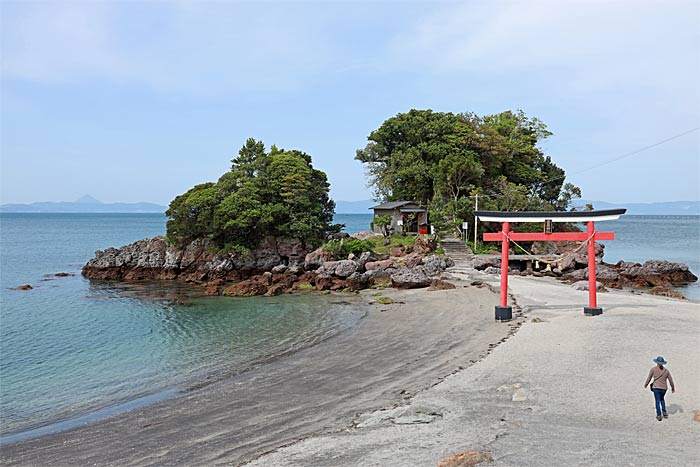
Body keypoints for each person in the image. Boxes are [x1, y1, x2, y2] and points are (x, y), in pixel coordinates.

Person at [644, 356, 675, 421]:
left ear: (657, 362)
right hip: (664, 388)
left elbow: (649, 378)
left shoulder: (653, 369)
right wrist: (673, 387)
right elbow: (670, 380)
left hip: (656, 387)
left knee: (657, 401)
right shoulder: (666, 371)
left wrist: (646, 384)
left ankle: (659, 415)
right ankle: (664, 412)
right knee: (662, 399)